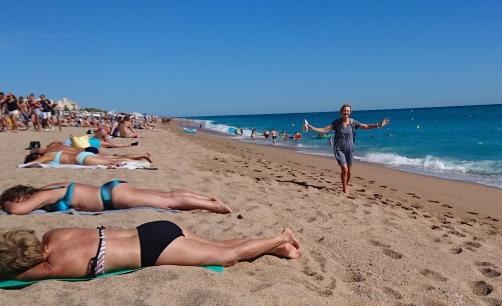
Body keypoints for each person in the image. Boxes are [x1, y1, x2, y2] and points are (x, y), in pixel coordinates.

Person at [0, 221, 300, 280]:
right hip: (153, 229)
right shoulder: (55, 234)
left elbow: (19, 273)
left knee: (225, 257)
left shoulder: (54, 266)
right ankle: (277, 249)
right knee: (217, 245)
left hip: (154, 249)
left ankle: (280, 236)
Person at [0, 181, 232, 214]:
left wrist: (5, 205)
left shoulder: (45, 195)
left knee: (168, 202)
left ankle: (215, 207)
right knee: (168, 195)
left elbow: (18, 210)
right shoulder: (50, 187)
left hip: (110, 199)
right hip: (111, 188)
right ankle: (208, 199)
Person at [305, 103, 389, 194]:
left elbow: (365, 126)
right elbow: (325, 130)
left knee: (349, 171)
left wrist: (378, 125)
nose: (346, 112)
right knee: (344, 169)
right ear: (341, 112)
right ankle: (344, 188)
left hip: (350, 149)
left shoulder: (353, 122)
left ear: (350, 112)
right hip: (339, 149)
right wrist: (311, 128)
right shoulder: (337, 122)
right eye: (345, 110)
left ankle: (346, 184)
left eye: (348, 111)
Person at [23, 149, 151, 167]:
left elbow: (36, 162)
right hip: (83, 155)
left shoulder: (47, 156)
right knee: (114, 158)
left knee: (114, 161)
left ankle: (141, 161)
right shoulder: (54, 152)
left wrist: (23, 165)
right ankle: (140, 158)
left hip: (82, 159)